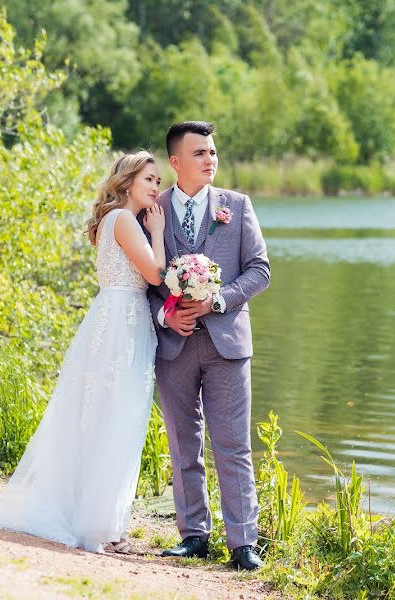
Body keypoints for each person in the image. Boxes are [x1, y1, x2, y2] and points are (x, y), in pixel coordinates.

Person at [0, 152, 167, 553]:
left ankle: (101, 516)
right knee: (117, 415)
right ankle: (100, 524)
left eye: (159, 181)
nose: (156, 188)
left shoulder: (113, 220)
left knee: (105, 413)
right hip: (121, 324)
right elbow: (155, 274)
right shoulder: (125, 220)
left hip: (113, 318)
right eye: (150, 179)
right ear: (127, 182)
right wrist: (157, 232)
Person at [148, 121, 270, 570]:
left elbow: (260, 270)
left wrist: (217, 299)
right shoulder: (151, 210)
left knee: (233, 444)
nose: (210, 160)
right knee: (183, 443)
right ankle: (194, 535)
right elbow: (142, 277)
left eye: (213, 152)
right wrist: (167, 313)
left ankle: (243, 544)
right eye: (199, 153)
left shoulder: (236, 207)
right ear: (175, 162)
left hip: (227, 345)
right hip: (174, 345)